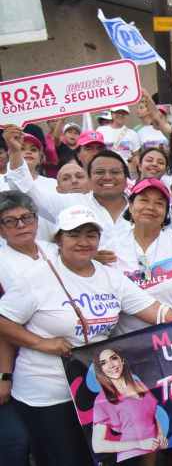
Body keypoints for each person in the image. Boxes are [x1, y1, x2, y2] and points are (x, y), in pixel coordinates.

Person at [0, 205, 172, 466]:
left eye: (90, 235)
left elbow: (154, 310)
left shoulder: (111, 277)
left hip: (97, 391)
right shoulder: (35, 278)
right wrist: (40, 343)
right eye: (74, 235)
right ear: (59, 239)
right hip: (48, 394)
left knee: (110, 459)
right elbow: (3, 321)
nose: (83, 242)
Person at [5, 126, 133, 250]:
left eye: (115, 172)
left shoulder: (142, 206)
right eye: (99, 172)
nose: (107, 177)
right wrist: (15, 152)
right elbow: (28, 193)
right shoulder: (73, 202)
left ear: (126, 176)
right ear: (89, 177)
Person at [0, 191, 56, 466]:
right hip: (17, 361)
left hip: (61, 365)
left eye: (25, 218)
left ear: (35, 219)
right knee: (18, 441)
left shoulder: (55, 249)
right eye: (10, 221)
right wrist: (3, 376)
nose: (21, 225)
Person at [111, 179, 172, 335]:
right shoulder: (110, 246)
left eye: (159, 203)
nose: (150, 207)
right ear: (130, 205)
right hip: (124, 348)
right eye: (144, 200)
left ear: (166, 212)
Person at [91, 347, 167, 464]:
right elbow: (97, 445)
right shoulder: (102, 399)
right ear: (100, 369)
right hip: (130, 456)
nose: (111, 365)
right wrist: (139, 444)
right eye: (104, 363)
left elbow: (153, 413)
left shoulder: (138, 383)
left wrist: (160, 435)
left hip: (152, 451)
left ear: (122, 360)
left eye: (114, 358)